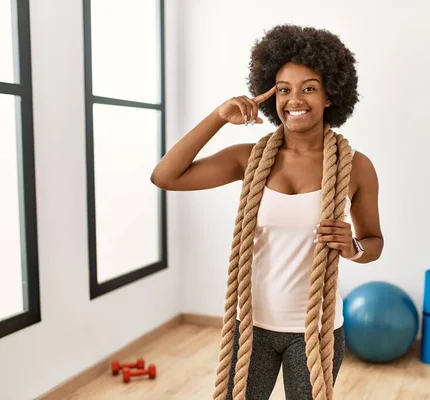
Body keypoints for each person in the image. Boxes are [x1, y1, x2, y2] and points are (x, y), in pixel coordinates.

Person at [151, 24, 384, 400]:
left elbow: (374, 242)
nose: (296, 99)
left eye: (309, 87)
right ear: (271, 95)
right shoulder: (248, 159)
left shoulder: (355, 166)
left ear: (329, 96)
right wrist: (218, 117)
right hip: (252, 326)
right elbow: (166, 176)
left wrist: (353, 247)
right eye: (284, 89)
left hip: (317, 331)